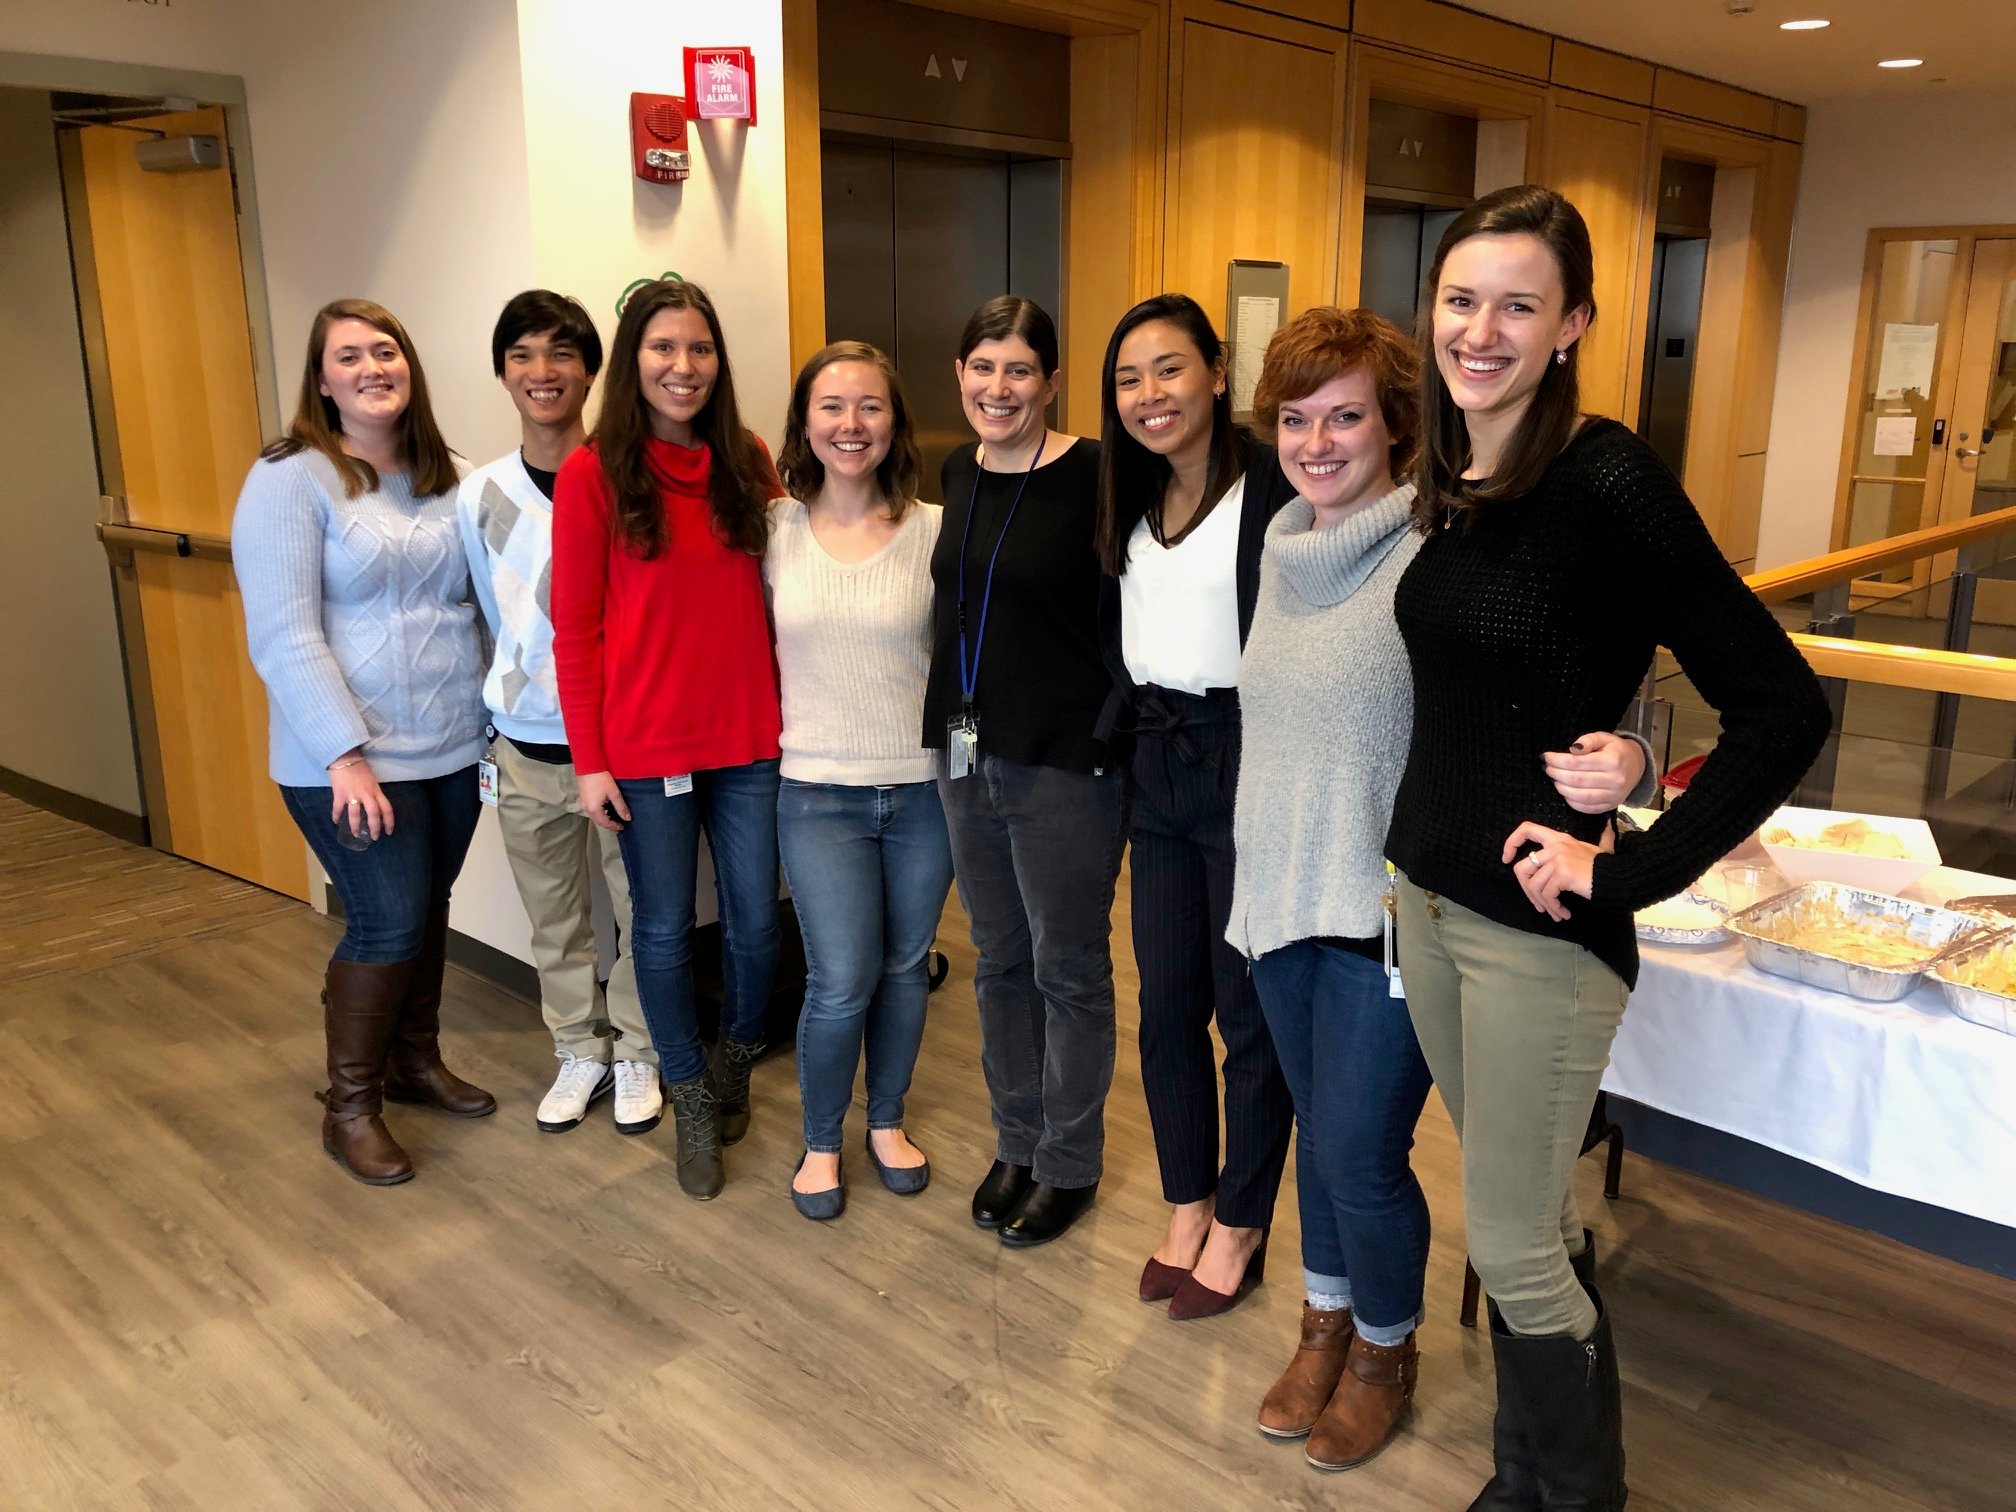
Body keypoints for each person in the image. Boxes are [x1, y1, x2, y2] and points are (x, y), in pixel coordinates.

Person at [1386, 185, 1830, 1508]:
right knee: (1534, 1219)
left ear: (1573, 323)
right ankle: (1529, 1477)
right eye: (1461, 300)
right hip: (1431, 902)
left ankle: (1578, 1496)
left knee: (1511, 1244)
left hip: (1540, 933)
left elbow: (1780, 706)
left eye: (1519, 305)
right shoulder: (1457, 472)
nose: (1481, 331)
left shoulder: (1609, 476)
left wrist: (1627, 866)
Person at [1229, 305, 1647, 1472]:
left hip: (1392, 907)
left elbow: (1538, 693)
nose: (1316, 443)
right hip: (1277, 892)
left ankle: (1383, 1350)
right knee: (1318, 1136)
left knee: (1362, 1152)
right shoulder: (1280, 546)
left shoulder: (1436, 550)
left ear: (1399, 428)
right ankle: (1324, 1322)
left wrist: (1627, 753)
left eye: (1345, 418)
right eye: (1296, 420)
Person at [233, 298, 494, 1187]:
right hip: (346, 762)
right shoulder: (290, 478)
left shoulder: (451, 477)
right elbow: (284, 633)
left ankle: (413, 1062)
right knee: (385, 919)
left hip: (451, 747)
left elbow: (479, 608)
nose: (371, 368)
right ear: (322, 380)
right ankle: (350, 1106)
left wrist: (494, 722)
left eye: (385, 350)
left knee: (427, 907)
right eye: (348, 356)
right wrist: (343, 755)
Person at [551, 278, 784, 1202]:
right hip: (647, 749)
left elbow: (794, 577)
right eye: (663, 348)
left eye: (699, 348)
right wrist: (590, 761)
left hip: (750, 736)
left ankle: (733, 1064)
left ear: (717, 360)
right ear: (632, 361)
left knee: (757, 924)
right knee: (660, 927)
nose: (683, 366)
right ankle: (687, 1091)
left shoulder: (747, 459)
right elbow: (576, 628)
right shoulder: (593, 474)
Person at [1092, 293, 1296, 1320]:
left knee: (1247, 1014)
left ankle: (1243, 1221)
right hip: (1156, 758)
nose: (1150, 394)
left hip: (1247, 755)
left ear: (1218, 372)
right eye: (1129, 379)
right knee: (1167, 1005)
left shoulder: (1275, 485)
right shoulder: (1126, 490)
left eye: (1169, 368)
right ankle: (1188, 1205)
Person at [922, 295, 1124, 1248]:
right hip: (967, 756)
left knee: (1067, 969)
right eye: (982, 366)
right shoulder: (958, 469)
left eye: (1018, 370)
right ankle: (1017, 1141)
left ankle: (1069, 1162)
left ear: (1050, 382)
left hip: (1064, 765)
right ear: (960, 375)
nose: (997, 387)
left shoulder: (1098, 474)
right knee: (998, 961)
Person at [458, 290, 662, 1138]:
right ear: (503, 372)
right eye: (522, 356)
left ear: (590, 370)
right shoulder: (480, 494)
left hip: (627, 742)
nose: (543, 373)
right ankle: (580, 1047)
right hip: (527, 746)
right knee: (556, 921)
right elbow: (489, 617)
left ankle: (641, 1049)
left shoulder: (630, 480)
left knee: (648, 912)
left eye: (562, 354)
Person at [767, 341, 951, 1221]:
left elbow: (964, 666)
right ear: (805, 422)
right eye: (832, 406)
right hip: (816, 794)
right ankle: (821, 1139)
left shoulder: (937, 530)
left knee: (906, 968)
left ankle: (886, 1120)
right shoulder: (771, 531)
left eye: (870, 406)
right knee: (840, 980)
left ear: (895, 422)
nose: (851, 424)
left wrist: (970, 771)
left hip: (923, 792)